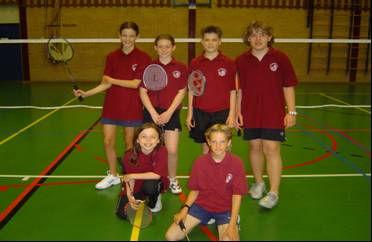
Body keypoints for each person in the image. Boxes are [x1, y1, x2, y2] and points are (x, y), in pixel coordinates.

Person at [73, 21, 151, 190]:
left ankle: (130, 176)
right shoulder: (112, 57)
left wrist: (113, 80)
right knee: (108, 141)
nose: (128, 39)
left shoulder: (143, 57)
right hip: (111, 106)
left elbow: (135, 83)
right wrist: (86, 93)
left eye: (131, 36)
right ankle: (113, 175)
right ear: (119, 36)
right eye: (124, 35)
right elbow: (105, 84)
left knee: (129, 143)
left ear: (137, 37)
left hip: (132, 107)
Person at [235, 21, 298, 209]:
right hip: (250, 111)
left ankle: (273, 192)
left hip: (273, 112)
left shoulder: (281, 58)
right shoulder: (241, 60)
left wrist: (292, 111)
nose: (258, 38)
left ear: (269, 37)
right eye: (253, 35)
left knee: (271, 149)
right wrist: (238, 111)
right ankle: (259, 183)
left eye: (262, 34)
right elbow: (239, 90)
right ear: (248, 39)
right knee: (255, 147)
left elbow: (288, 85)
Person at [165, 124, 248, 241]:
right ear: (208, 142)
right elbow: (195, 190)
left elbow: (237, 195)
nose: (218, 146)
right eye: (214, 141)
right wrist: (184, 209)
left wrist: (232, 224)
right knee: (171, 236)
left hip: (225, 210)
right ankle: (205, 218)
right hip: (201, 207)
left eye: (222, 142)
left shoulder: (237, 163)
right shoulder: (200, 162)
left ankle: (234, 221)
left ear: (228, 142)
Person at [139, 34, 187, 194]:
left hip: (171, 112)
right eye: (160, 46)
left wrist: (169, 112)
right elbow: (143, 91)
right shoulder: (149, 66)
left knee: (172, 150)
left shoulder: (180, 67)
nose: (164, 49)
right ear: (155, 48)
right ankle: (149, 177)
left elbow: (182, 91)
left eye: (167, 46)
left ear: (173, 47)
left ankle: (172, 178)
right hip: (151, 112)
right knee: (149, 148)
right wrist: (152, 112)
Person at [186, 25, 237, 155]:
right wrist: (190, 113)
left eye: (214, 40)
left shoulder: (229, 63)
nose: (210, 43)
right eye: (207, 40)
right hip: (200, 112)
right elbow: (192, 90)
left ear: (220, 41)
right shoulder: (195, 63)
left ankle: (223, 174)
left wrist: (232, 113)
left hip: (222, 112)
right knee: (206, 147)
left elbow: (233, 91)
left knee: (224, 147)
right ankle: (208, 174)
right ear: (202, 41)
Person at [116, 122, 169, 217]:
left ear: (158, 140)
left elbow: (156, 175)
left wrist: (132, 175)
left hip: (153, 183)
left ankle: (155, 198)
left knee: (150, 186)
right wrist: (130, 195)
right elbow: (129, 179)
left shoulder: (162, 151)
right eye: (144, 136)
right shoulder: (129, 156)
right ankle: (141, 197)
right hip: (136, 184)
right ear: (137, 140)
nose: (148, 140)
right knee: (122, 214)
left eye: (153, 137)